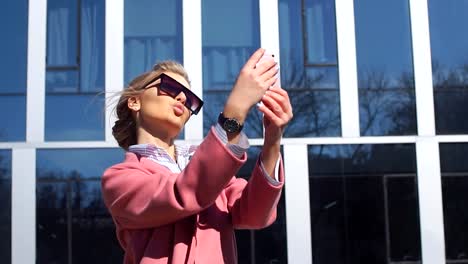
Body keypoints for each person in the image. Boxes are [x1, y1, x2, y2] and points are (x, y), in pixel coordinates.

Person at [102, 48, 293, 264]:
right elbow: (185, 192)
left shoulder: (211, 171)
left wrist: (273, 139)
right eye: (169, 87)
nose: (183, 98)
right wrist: (236, 109)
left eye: (190, 100)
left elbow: (256, 214)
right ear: (135, 101)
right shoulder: (119, 179)